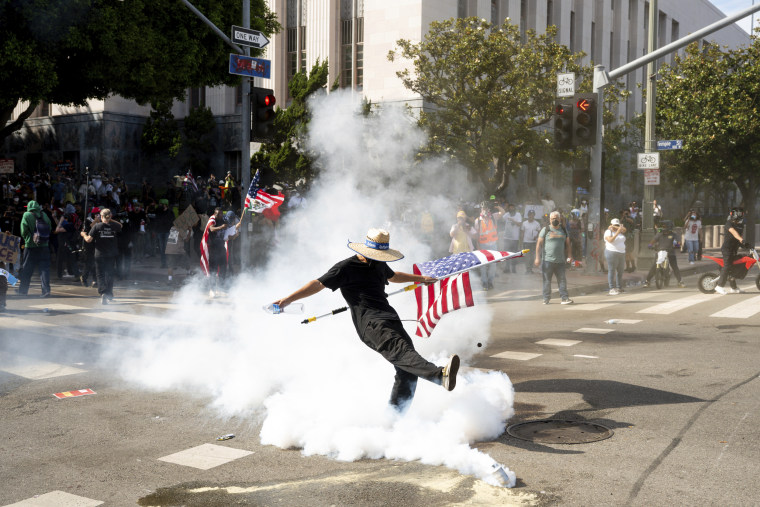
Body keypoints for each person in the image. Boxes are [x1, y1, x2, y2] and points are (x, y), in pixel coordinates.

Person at [272, 228, 460, 412]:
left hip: (389, 317)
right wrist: (288, 299)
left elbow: (393, 276)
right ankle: (439, 375)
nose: (380, 257)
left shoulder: (378, 263)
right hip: (371, 323)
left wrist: (420, 278)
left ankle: (395, 420)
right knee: (403, 353)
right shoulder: (345, 267)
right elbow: (317, 284)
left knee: (407, 371)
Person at [81, 208, 122, 304]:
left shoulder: (97, 226)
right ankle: (109, 294)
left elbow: (88, 240)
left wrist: (83, 234)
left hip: (100, 254)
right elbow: (121, 225)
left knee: (100, 274)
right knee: (109, 274)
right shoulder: (114, 225)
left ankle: (103, 292)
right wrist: (110, 219)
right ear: (110, 216)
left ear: (101, 216)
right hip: (111, 254)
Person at [535, 211, 573, 305]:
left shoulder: (563, 230)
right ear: (549, 220)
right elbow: (538, 244)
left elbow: (568, 245)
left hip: (560, 261)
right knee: (547, 281)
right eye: (552, 218)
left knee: (562, 280)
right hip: (547, 261)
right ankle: (546, 298)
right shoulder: (546, 229)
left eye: (556, 218)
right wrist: (537, 258)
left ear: (560, 219)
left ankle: (564, 298)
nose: (554, 220)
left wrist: (569, 256)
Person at [18, 200, 52, 297]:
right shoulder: (44, 214)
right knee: (44, 269)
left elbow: (23, 231)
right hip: (44, 246)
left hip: (30, 247)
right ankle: (46, 291)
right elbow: (49, 228)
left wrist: (28, 239)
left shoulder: (27, 215)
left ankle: (23, 291)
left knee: (27, 270)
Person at [714, 208, 752, 295]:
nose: (741, 215)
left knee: (735, 267)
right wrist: (741, 240)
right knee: (727, 266)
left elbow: (739, 237)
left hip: (734, 249)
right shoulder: (729, 223)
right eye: (740, 213)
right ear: (734, 214)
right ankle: (719, 286)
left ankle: (733, 288)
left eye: (742, 213)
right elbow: (734, 233)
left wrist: (745, 245)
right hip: (727, 249)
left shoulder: (741, 225)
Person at [643, 220, 686, 289]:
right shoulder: (659, 233)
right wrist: (650, 245)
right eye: (663, 226)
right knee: (654, 266)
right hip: (660, 252)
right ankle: (647, 281)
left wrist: (678, 244)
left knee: (674, 267)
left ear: (670, 227)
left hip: (670, 252)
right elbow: (653, 240)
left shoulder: (674, 234)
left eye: (665, 226)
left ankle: (680, 282)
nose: (663, 228)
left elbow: (679, 242)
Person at [474, 200, 504, 290]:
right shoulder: (477, 221)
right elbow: (476, 235)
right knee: (483, 265)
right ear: (481, 209)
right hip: (483, 245)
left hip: (493, 245)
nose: (485, 210)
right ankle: (484, 282)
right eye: (483, 208)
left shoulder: (493, 217)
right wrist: (478, 246)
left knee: (493, 264)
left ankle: (490, 282)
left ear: (488, 209)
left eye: (486, 208)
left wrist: (498, 207)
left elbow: (503, 212)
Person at [603, 218, 626, 295]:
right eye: (615, 225)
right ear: (611, 225)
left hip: (621, 252)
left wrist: (617, 229)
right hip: (612, 252)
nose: (616, 227)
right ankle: (611, 288)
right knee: (612, 270)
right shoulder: (608, 232)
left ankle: (619, 287)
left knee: (620, 270)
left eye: (617, 225)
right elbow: (610, 240)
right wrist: (617, 232)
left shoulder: (620, 231)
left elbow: (625, 230)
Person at [501, 203, 522, 273]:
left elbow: (519, 224)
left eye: (512, 207)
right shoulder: (507, 214)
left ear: (514, 208)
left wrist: (513, 220)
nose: (511, 209)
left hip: (515, 238)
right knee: (507, 253)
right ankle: (507, 268)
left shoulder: (518, 215)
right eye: (510, 208)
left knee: (514, 254)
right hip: (507, 237)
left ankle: (513, 268)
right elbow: (501, 219)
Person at [520, 210, 541, 274]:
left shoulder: (537, 223)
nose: (531, 216)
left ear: (534, 215)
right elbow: (522, 233)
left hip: (533, 242)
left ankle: (530, 268)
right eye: (530, 214)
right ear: (528, 215)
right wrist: (521, 242)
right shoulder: (524, 223)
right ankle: (527, 269)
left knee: (532, 256)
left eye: (532, 215)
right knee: (527, 256)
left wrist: (536, 236)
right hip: (526, 242)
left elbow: (539, 232)